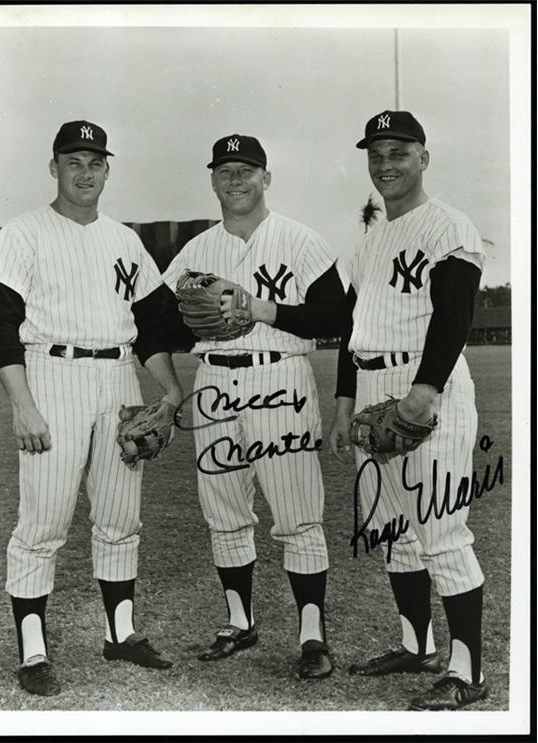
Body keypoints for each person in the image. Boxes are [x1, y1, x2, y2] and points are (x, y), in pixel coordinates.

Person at [0, 120, 184, 696]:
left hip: (118, 378)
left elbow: (150, 328)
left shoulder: (125, 241)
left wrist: (169, 394)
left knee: (121, 517)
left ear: (107, 169)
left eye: (96, 161)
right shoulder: (22, 234)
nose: (86, 171)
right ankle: (33, 651)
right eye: (74, 160)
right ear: (54, 167)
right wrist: (23, 406)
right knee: (42, 522)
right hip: (52, 374)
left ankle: (119, 635)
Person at [163, 133, 350, 679]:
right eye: (224, 170)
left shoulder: (302, 240)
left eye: (246, 169)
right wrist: (187, 324)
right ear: (213, 180)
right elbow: (161, 318)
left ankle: (312, 636)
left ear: (266, 178)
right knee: (223, 511)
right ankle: (238, 622)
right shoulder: (194, 252)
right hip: (215, 380)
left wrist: (263, 309)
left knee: (296, 513)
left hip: (281, 378)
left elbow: (335, 319)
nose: (235, 179)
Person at [330, 110, 488, 710]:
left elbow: (454, 316)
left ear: (423, 157)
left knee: (441, 530)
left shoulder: (449, 226)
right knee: (394, 531)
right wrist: (346, 404)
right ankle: (415, 644)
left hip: (426, 382)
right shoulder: (369, 242)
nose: (385, 164)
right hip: (373, 384)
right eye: (376, 153)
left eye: (398, 152)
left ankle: (467, 671)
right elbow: (351, 330)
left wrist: (425, 392)